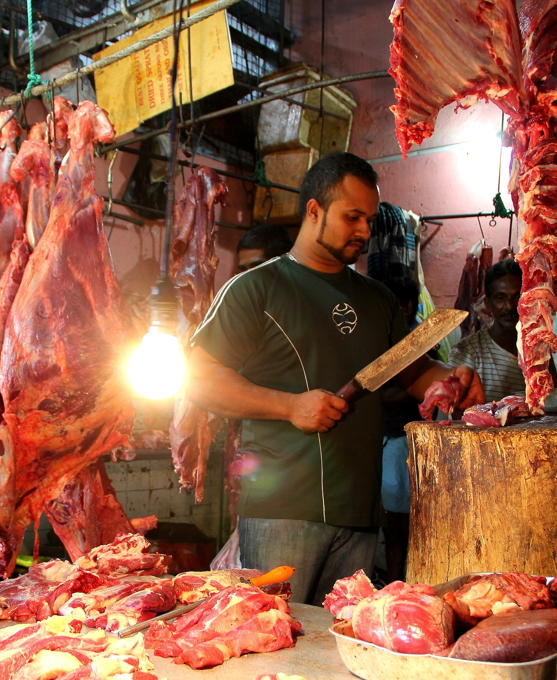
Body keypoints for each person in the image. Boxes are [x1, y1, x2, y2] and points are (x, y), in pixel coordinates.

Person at [186, 152, 484, 604]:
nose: (365, 231)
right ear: (314, 211)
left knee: (340, 650)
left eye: (369, 218)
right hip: (283, 512)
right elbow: (199, 379)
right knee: (272, 641)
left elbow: (415, 373)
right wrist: (289, 406)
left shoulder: (377, 299)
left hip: (362, 516)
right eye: (352, 217)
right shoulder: (256, 288)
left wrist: (453, 381)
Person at [380, 275, 424, 582]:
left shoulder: (415, 344)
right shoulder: (386, 341)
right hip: (388, 443)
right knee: (393, 527)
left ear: (406, 307)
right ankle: (396, 585)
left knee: (400, 527)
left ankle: (399, 586)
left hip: (401, 444)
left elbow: (393, 395)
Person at [447, 258, 525, 401]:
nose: (510, 306)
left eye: (517, 297)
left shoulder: (540, 354)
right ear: (488, 304)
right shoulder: (467, 353)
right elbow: (450, 415)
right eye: (501, 298)